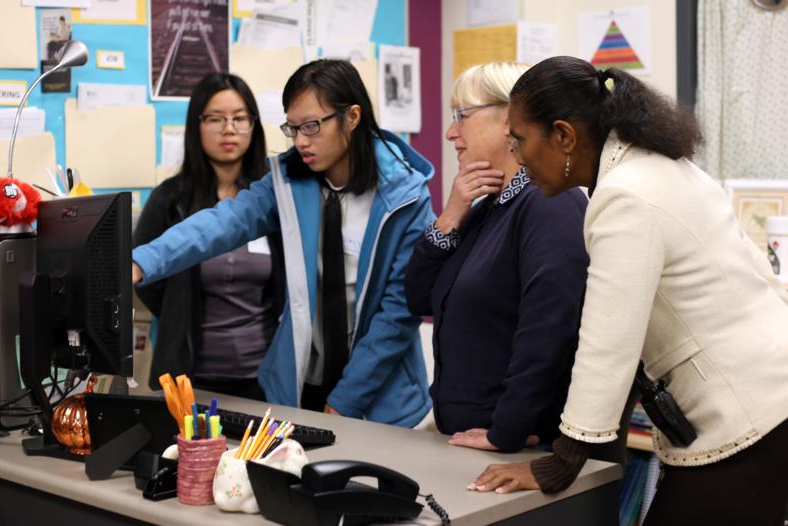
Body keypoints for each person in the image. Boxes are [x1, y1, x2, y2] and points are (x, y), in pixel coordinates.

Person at [470, 56, 788, 525]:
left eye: (519, 140)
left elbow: (608, 342)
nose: (517, 155)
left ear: (563, 136)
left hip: (750, 418)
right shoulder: (664, 168)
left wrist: (560, 463)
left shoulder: (626, 196)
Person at [133, 59, 434, 426]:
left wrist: (347, 398)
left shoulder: (406, 198)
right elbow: (222, 222)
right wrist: (142, 260)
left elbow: (397, 314)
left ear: (352, 117)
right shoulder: (289, 182)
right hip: (301, 385)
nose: (301, 141)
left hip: (381, 394)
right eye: (292, 128)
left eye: (311, 126)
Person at [404, 62, 589, 453]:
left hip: (515, 446)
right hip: (467, 438)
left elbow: (547, 331)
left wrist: (506, 430)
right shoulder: (487, 207)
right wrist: (452, 213)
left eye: (461, 116)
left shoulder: (547, 203)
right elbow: (419, 298)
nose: (451, 132)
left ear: (509, 118)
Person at [133, 72, 283, 399]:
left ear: (254, 126)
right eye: (215, 118)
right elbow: (145, 277)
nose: (228, 129)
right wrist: (179, 311)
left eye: (240, 118)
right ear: (196, 125)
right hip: (188, 378)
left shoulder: (274, 200)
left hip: (265, 378)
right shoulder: (169, 200)